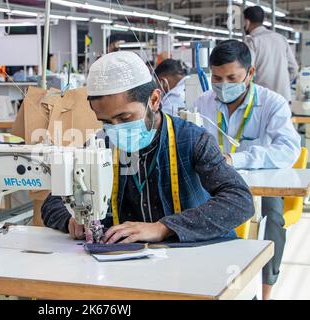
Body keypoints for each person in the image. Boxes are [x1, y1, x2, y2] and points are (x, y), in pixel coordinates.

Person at [42, 50, 254, 246]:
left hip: (189, 255)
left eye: (125, 117)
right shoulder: (101, 145)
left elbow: (239, 199)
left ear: (154, 100)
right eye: (106, 121)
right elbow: (53, 202)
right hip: (128, 261)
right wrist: (71, 219)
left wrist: (164, 227)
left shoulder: (192, 140)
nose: (116, 128)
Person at [193, 40, 301, 300]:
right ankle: (209, 285)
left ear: (250, 74)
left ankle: (265, 293)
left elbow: (288, 149)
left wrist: (236, 159)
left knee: (272, 220)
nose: (223, 85)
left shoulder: (272, 103)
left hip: (261, 184)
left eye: (232, 78)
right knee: (188, 213)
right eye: (217, 78)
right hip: (213, 184)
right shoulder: (202, 103)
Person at [244, 5, 299, 102]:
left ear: (247, 22)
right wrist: (283, 83)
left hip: (264, 99)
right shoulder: (281, 38)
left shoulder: (251, 41)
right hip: (284, 98)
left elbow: (247, 72)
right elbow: (294, 69)